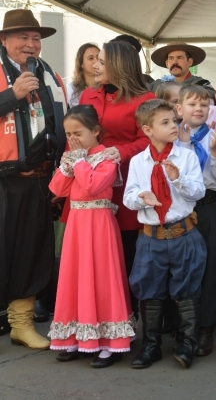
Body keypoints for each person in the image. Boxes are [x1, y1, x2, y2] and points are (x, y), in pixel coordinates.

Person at [0, 9, 67, 350]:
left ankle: (21, 323)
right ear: (4, 40)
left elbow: (62, 125)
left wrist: (61, 177)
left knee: (32, 251)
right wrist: (12, 95)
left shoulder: (49, 75)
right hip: (4, 179)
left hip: (41, 179)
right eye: (23, 38)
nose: (31, 44)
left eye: (36, 39)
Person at [48, 105, 135, 368]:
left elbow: (92, 185)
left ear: (95, 131)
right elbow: (57, 189)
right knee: (75, 277)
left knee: (101, 277)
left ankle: (109, 343)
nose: (72, 139)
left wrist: (79, 160)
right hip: (76, 225)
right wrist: (72, 160)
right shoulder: (74, 157)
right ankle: (75, 338)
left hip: (99, 226)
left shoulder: (107, 158)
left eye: (78, 132)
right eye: (68, 134)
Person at [124, 99, 206, 370]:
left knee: (187, 289)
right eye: (166, 122)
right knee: (149, 290)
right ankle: (151, 345)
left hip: (183, 234)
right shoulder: (138, 161)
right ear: (147, 129)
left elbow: (198, 192)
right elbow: (128, 196)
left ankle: (187, 343)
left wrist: (177, 178)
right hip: (151, 237)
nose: (174, 126)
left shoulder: (186, 156)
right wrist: (141, 197)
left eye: (174, 120)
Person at [79, 41, 156, 315]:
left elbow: (147, 141)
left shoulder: (144, 100)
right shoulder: (88, 96)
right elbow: (75, 134)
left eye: (101, 60)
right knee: (91, 257)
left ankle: (124, 320)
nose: (95, 65)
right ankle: (90, 320)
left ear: (119, 65)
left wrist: (118, 152)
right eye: (94, 60)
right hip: (89, 187)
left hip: (123, 188)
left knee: (123, 256)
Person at [176, 84, 216, 356]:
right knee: (181, 268)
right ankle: (183, 327)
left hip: (207, 207)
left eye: (204, 105)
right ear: (179, 109)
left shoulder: (214, 137)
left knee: (212, 267)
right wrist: (183, 145)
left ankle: (207, 327)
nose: (198, 109)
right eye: (192, 104)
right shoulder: (173, 137)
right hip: (180, 208)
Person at [150, 41, 215, 98]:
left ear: (189, 62)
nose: (175, 62)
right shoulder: (156, 85)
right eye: (171, 58)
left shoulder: (201, 84)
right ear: (167, 63)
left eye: (180, 58)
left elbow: (212, 95)